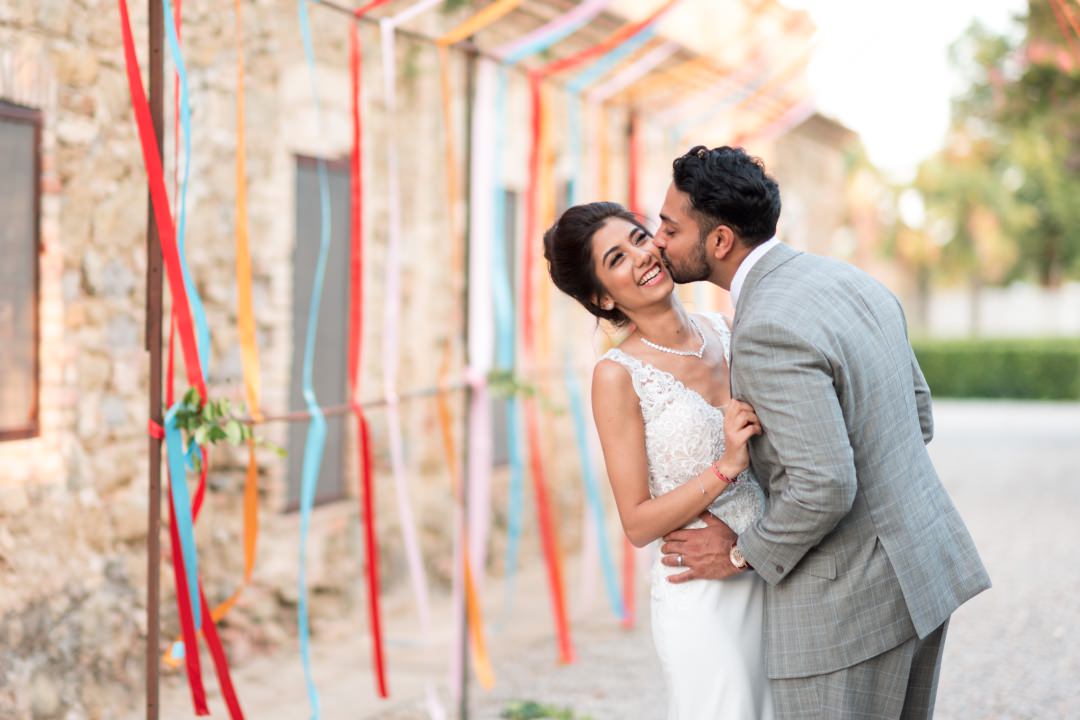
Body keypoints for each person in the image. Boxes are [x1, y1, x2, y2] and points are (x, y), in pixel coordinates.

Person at [652, 145, 992, 719]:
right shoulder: (848, 281)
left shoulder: (765, 327)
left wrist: (740, 555)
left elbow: (824, 485)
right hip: (924, 574)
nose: (657, 239)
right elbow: (920, 414)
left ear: (719, 241)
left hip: (847, 610)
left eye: (669, 226)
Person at [544, 202, 775, 719]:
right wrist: (727, 467)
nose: (642, 256)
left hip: (770, 567)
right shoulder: (618, 374)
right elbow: (637, 522)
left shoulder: (732, 330)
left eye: (639, 238)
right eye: (617, 258)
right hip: (700, 594)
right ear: (603, 296)